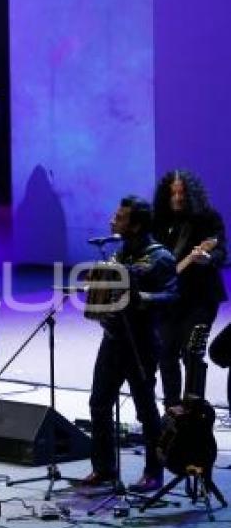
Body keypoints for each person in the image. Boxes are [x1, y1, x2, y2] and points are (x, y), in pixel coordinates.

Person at [83, 196, 177, 493]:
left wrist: (144, 298)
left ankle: (154, 472)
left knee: (145, 410)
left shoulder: (161, 257)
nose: (113, 220)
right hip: (113, 338)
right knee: (99, 403)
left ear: (136, 225)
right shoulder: (120, 253)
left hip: (142, 342)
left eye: (120, 217)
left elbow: (173, 296)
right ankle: (105, 469)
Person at [152, 170, 227, 409]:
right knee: (166, 354)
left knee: (191, 353)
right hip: (169, 300)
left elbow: (220, 250)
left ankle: (193, 414)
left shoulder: (208, 218)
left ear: (191, 194)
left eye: (182, 193)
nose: (177, 198)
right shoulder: (158, 221)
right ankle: (172, 411)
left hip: (200, 299)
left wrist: (208, 257)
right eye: (172, 193)